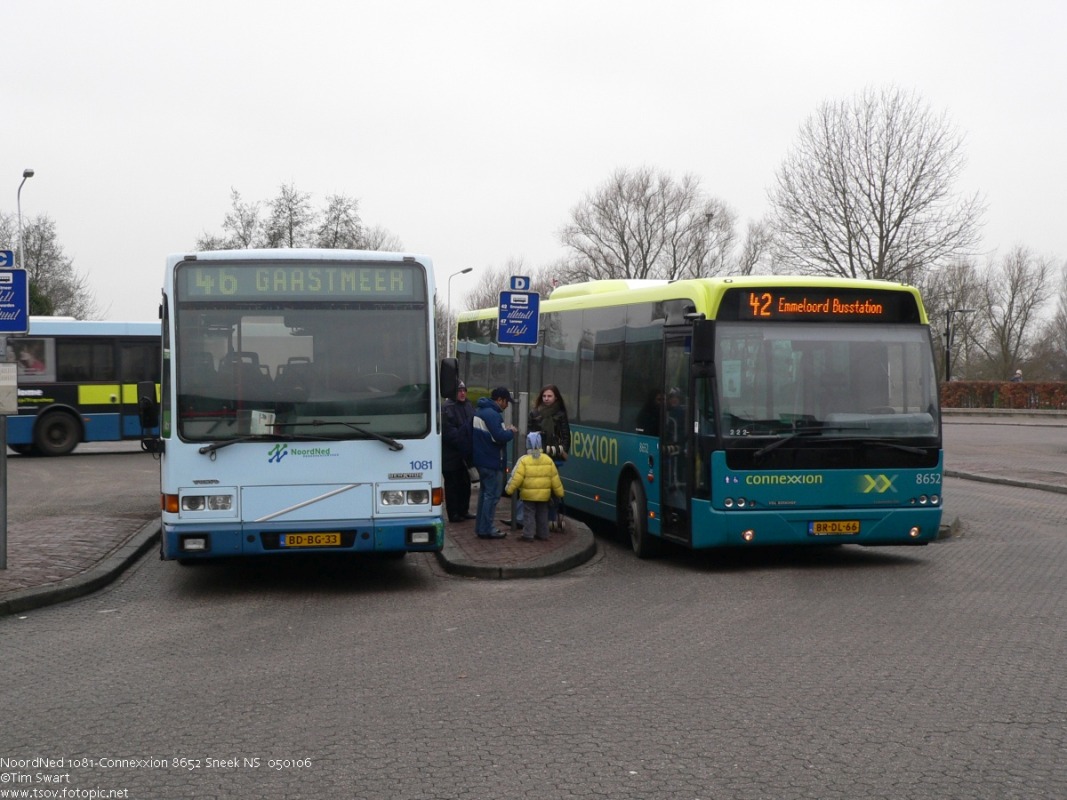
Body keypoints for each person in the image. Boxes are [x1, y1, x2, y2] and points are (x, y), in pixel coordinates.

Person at [472, 386, 517, 539]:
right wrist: (510, 432)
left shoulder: (481, 411)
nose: (507, 405)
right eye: (506, 402)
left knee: (485, 495)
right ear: (500, 400)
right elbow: (499, 436)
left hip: (482, 460)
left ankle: (481, 527)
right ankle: (487, 528)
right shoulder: (493, 415)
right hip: (491, 461)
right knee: (492, 496)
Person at [505, 432, 565, 542]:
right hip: (544, 496)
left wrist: (509, 489)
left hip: (528, 496)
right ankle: (543, 534)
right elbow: (555, 479)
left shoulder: (524, 460)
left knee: (529, 514)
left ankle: (528, 535)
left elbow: (516, 478)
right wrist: (560, 493)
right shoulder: (548, 460)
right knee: (543, 514)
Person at [528, 384, 571, 531]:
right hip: (538, 456)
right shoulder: (534, 413)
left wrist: (563, 452)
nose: (546, 399)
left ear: (555, 397)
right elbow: (530, 437)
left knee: (553, 487)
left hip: (554, 457)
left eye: (549, 396)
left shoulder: (560, 414)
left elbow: (566, 436)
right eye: (544, 396)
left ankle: (552, 517)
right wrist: (534, 457)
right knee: (537, 487)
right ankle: (539, 520)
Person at [442, 381, 476, 523]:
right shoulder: (447, 408)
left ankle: (464, 510)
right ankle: (454, 513)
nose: (462, 393)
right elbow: (449, 432)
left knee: (465, 484)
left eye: (464, 390)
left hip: (465, 455)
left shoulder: (469, 406)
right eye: (459, 390)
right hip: (451, 455)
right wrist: (465, 441)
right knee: (452, 486)